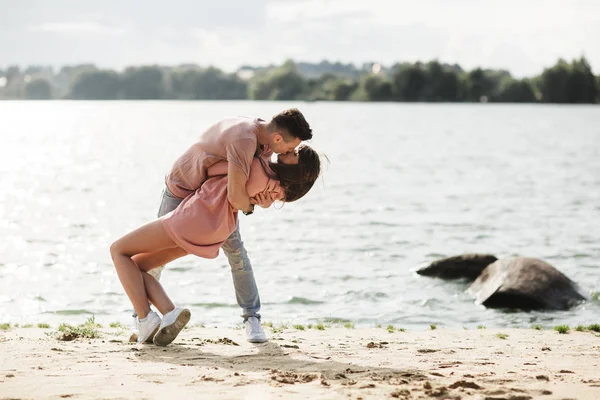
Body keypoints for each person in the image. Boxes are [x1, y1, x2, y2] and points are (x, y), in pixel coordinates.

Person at [110, 145, 321, 346]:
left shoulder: (261, 167)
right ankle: (158, 314)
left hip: (201, 212)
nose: (288, 149)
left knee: (121, 251)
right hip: (204, 214)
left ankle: (145, 316)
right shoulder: (271, 176)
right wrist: (255, 202)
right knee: (144, 263)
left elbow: (219, 171)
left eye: (294, 152)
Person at [145, 108, 314, 343]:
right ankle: (145, 318)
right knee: (154, 256)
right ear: (278, 138)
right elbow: (237, 197)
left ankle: (252, 319)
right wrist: (251, 207)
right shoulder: (244, 139)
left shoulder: (265, 142)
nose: (289, 151)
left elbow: (244, 186)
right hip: (183, 189)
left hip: (214, 198)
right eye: (290, 147)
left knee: (237, 254)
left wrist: (260, 201)